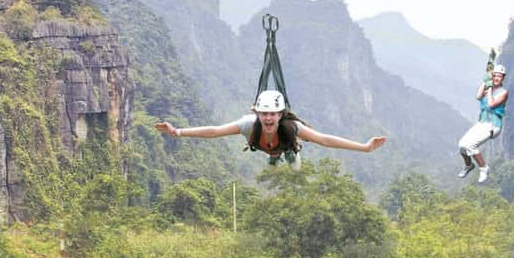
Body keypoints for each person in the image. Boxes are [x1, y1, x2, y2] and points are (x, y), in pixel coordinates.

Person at [155, 90, 387, 168]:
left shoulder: (291, 127)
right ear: (257, 113)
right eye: (264, 113)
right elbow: (215, 131)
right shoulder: (249, 124)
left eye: (272, 114)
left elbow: (325, 140)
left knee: (291, 160)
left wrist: (365, 148)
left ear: (280, 114)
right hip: (263, 146)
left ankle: (287, 154)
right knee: (272, 156)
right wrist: (177, 132)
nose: (268, 118)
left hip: (285, 144)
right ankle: (275, 157)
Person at [457, 65, 509, 183]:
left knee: (470, 145)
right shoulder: (487, 87)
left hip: (493, 125)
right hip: (482, 122)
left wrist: (489, 88)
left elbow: (491, 105)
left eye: (499, 76)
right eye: (495, 75)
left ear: (503, 78)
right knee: (462, 145)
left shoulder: (504, 92)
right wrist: (485, 81)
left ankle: (484, 168)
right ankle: (469, 165)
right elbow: (478, 96)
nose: (496, 78)